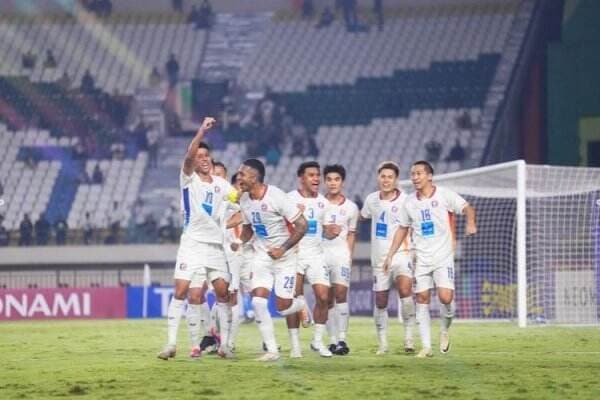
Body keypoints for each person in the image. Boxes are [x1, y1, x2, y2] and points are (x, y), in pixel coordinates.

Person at [158, 117, 236, 361]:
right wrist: (201, 131)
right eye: (199, 156)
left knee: (223, 293)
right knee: (181, 290)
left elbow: (237, 199)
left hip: (214, 246)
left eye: (206, 156)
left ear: (211, 161)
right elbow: (190, 156)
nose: (202, 159)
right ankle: (171, 344)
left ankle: (223, 345)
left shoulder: (221, 184)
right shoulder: (188, 180)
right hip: (191, 243)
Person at [383, 160, 477, 358]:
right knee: (422, 299)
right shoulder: (409, 202)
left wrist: (470, 222)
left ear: (429, 176)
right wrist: (391, 254)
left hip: (443, 257)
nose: (415, 177)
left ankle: (444, 330)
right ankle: (426, 346)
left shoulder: (444, 195)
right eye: (413, 174)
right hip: (421, 259)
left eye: (419, 173)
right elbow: (402, 228)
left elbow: (468, 207)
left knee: (446, 298)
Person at [236, 158, 309, 361]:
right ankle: (272, 350)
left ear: (254, 177)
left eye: (242, 174)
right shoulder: (244, 199)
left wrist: (283, 248)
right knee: (258, 302)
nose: (239, 177)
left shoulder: (277, 196)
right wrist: (239, 244)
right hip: (262, 256)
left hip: (285, 258)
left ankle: (300, 305)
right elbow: (249, 227)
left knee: (283, 308)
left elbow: (303, 225)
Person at [360, 161, 416, 355]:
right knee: (381, 301)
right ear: (378, 178)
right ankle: (382, 343)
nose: (386, 180)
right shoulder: (371, 200)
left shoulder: (406, 200)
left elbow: (412, 225)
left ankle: (409, 338)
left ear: (396, 180)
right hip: (379, 260)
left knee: (405, 292)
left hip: (402, 254)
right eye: (383, 176)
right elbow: (362, 216)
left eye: (390, 177)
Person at [287, 161, 334, 358]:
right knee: (293, 299)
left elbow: (326, 231)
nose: (316, 179)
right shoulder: (289, 199)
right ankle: (295, 345)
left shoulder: (323, 202)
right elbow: (282, 226)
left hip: (316, 255)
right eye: (311, 175)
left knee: (324, 297)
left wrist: (331, 232)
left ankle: (317, 341)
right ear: (301, 178)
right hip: (294, 255)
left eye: (317, 175)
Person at [321, 164, 359, 355]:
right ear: (324, 181)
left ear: (342, 182)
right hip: (321, 255)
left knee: (341, 295)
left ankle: (343, 338)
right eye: (329, 179)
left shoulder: (351, 207)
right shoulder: (319, 204)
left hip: (341, 255)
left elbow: (352, 234)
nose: (333, 183)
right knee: (326, 299)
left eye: (336, 179)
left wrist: (349, 256)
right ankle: (332, 340)